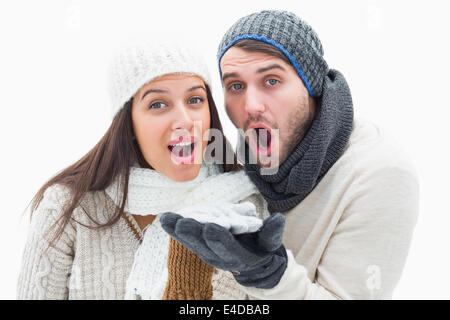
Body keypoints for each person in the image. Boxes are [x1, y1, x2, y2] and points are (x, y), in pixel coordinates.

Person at [160, 10, 420, 299]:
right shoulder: (241, 155)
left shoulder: (380, 174)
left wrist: (271, 277)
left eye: (271, 81)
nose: (251, 105)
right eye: (236, 86)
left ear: (311, 84)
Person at [16, 39, 277, 300]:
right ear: (128, 124)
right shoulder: (68, 208)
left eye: (195, 99)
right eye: (157, 104)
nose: (185, 120)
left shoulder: (247, 207)